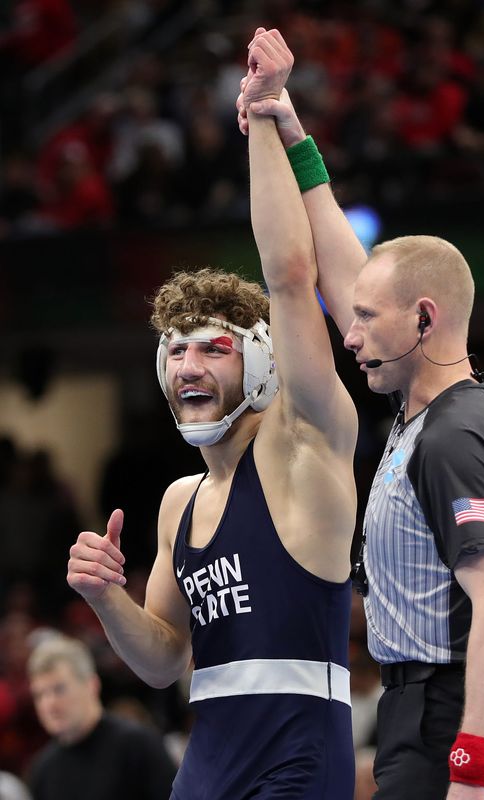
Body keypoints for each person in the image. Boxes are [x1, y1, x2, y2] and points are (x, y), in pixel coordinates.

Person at [239, 27, 484, 800]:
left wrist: (472, 774)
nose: (349, 332)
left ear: (425, 319)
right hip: (419, 712)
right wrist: (290, 128)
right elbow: (347, 270)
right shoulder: (423, 407)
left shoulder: (456, 435)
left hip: (454, 722)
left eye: (368, 320)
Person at [66, 33, 359, 800]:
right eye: (177, 353)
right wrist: (107, 599)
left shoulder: (303, 448)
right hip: (208, 764)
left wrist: (263, 114)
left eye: (214, 350)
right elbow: (163, 659)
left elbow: (292, 280)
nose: (189, 366)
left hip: (298, 762)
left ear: (259, 363)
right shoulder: (177, 503)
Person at [26, 634, 177, 800]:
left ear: (92, 685)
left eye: (59, 689)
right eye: (39, 695)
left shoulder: (137, 745)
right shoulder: (42, 771)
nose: (49, 704)